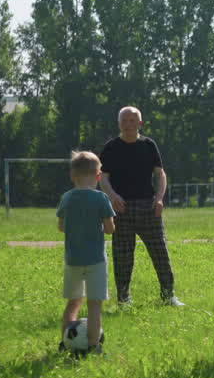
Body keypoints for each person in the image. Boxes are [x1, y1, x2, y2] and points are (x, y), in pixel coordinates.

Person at [98, 106, 185, 308]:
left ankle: (169, 295)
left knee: (160, 252)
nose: (128, 124)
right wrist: (112, 197)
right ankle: (123, 300)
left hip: (149, 207)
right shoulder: (111, 147)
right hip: (121, 209)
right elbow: (103, 177)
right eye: (124, 120)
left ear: (140, 123)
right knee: (122, 256)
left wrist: (159, 198)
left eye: (132, 120)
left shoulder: (149, 145)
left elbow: (160, 174)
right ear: (119, 124)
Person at [56, 150, 115, 354]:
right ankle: (93, 346)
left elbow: (61, 226)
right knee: (94, 305)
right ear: (98, 176)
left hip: (73, 259)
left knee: (73, 303)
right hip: (96, 261)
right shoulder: (101, 198)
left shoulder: (66, 198)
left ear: (73, 175)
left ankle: (64, 343)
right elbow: (110, 229)